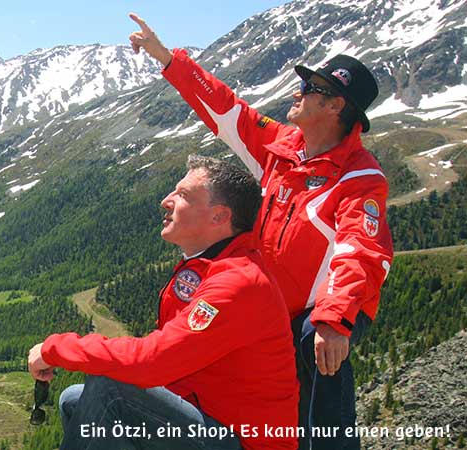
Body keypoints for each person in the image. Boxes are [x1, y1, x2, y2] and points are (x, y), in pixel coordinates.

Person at [126, 12, 394, 450]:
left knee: (312, 347)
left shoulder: (360, 179)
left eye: (311, 87)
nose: (298, 91)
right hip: (272, 303)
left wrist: (334, 319)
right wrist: (167, 58)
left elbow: (361, 251)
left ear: (335, 106)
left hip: (322, 308)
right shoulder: (281, 148)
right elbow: (226, 110)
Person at [28, 155, 298, 450]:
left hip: (245, 442)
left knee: (110, 387)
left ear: (219, 217)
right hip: (212, 419)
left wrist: (55, 349)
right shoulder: (210, 265)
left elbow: (152, 362)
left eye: (183, 195)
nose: (166, 201)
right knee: (73, 400)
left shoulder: (238, 282)